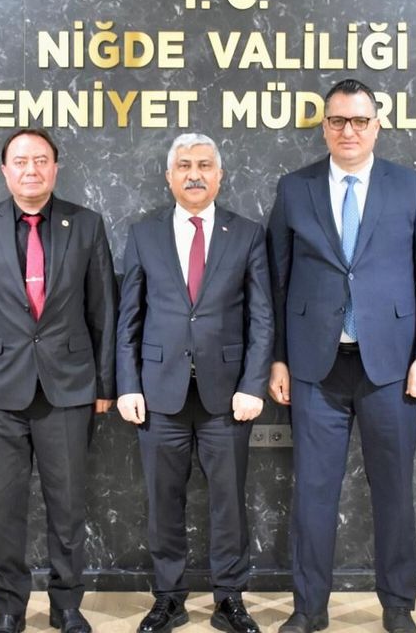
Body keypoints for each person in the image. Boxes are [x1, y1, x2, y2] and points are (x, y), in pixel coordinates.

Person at [266, 80, 416, 633]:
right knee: (312, 493)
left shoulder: (408, 186)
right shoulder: (294, 188)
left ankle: (398, 606)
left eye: (360, 120)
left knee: (393, 491)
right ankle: (309, 609)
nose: (349, 130)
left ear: (377, 126)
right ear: (324, 126)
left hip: (391, 368)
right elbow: (276, 281)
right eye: (338, 120)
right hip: (314, 368)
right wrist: (278, 359)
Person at [0, 128, 118, 633]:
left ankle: (67, 605)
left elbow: (103, 311)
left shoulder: (86, 224)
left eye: (41, 160)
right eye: (20, 161)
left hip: (69, 388)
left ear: (55, 167)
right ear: (5, 170)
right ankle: (9, 608)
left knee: (68, 505)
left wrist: (105, 385)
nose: (31, 170)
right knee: (4, 508)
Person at [116, 133, 273, 633]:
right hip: (158, 394)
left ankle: (230, 599)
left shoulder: (246, 234)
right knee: (163, 502)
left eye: (205, 165)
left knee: (229, 503)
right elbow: (129, 317)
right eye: (184, 165)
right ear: (169, 176)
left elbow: (262, 317)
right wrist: (127, 383)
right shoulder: (144, 234)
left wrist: (253, 384)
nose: (194, 174)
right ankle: (168, 599)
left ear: (220, 175)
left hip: (227, 396)